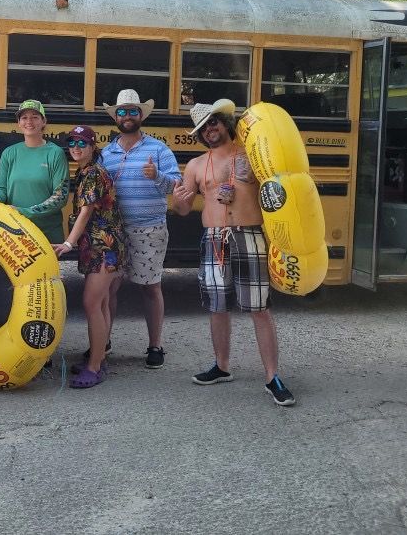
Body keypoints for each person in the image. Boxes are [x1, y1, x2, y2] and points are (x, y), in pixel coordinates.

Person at [173, 98, 296, 407]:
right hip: (214, 238)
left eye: (213, 122)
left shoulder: (253, 156)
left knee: (258, 307)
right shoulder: (197, 165)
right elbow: (184, 209)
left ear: (225, 123)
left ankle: (272, 376)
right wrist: (180, 198)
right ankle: (222, 366)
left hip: (249, 233)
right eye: (203, 127)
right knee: (216, 305)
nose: (209, 130)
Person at [99, 89, 181, 369]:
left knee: (151, 287)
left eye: (133, 111)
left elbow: (177, 186)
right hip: (114, 232)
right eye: (122, 111)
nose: (127, 116)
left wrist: (156, 175)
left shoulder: (159, 149)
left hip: (149, 229)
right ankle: (103, 342)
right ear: (116, 117)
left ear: (141, 115)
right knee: (108, 289)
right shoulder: (106, 153)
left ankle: (155, 345)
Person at [54, 125, 127, 388]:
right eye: (72, 142)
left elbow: (85, 213)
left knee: (91, 304)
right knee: (103, 304)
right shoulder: (85, 172)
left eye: (82, 143)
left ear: (93, 147)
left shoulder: (94, 173)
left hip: (103, 249)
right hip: (98, 246)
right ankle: (99, 357)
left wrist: (68, 242)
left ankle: (94, 368)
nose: (76, 147)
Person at [0, 99, 68, 243]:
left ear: (44, 121)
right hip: (15, 232)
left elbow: (60, 197)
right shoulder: (9, 153)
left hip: (47, 233)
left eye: (35, 117)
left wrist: (24, 212)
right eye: (24, 117)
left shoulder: (55, 153)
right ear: (19, 123)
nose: (29, 121)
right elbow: (1, 191)